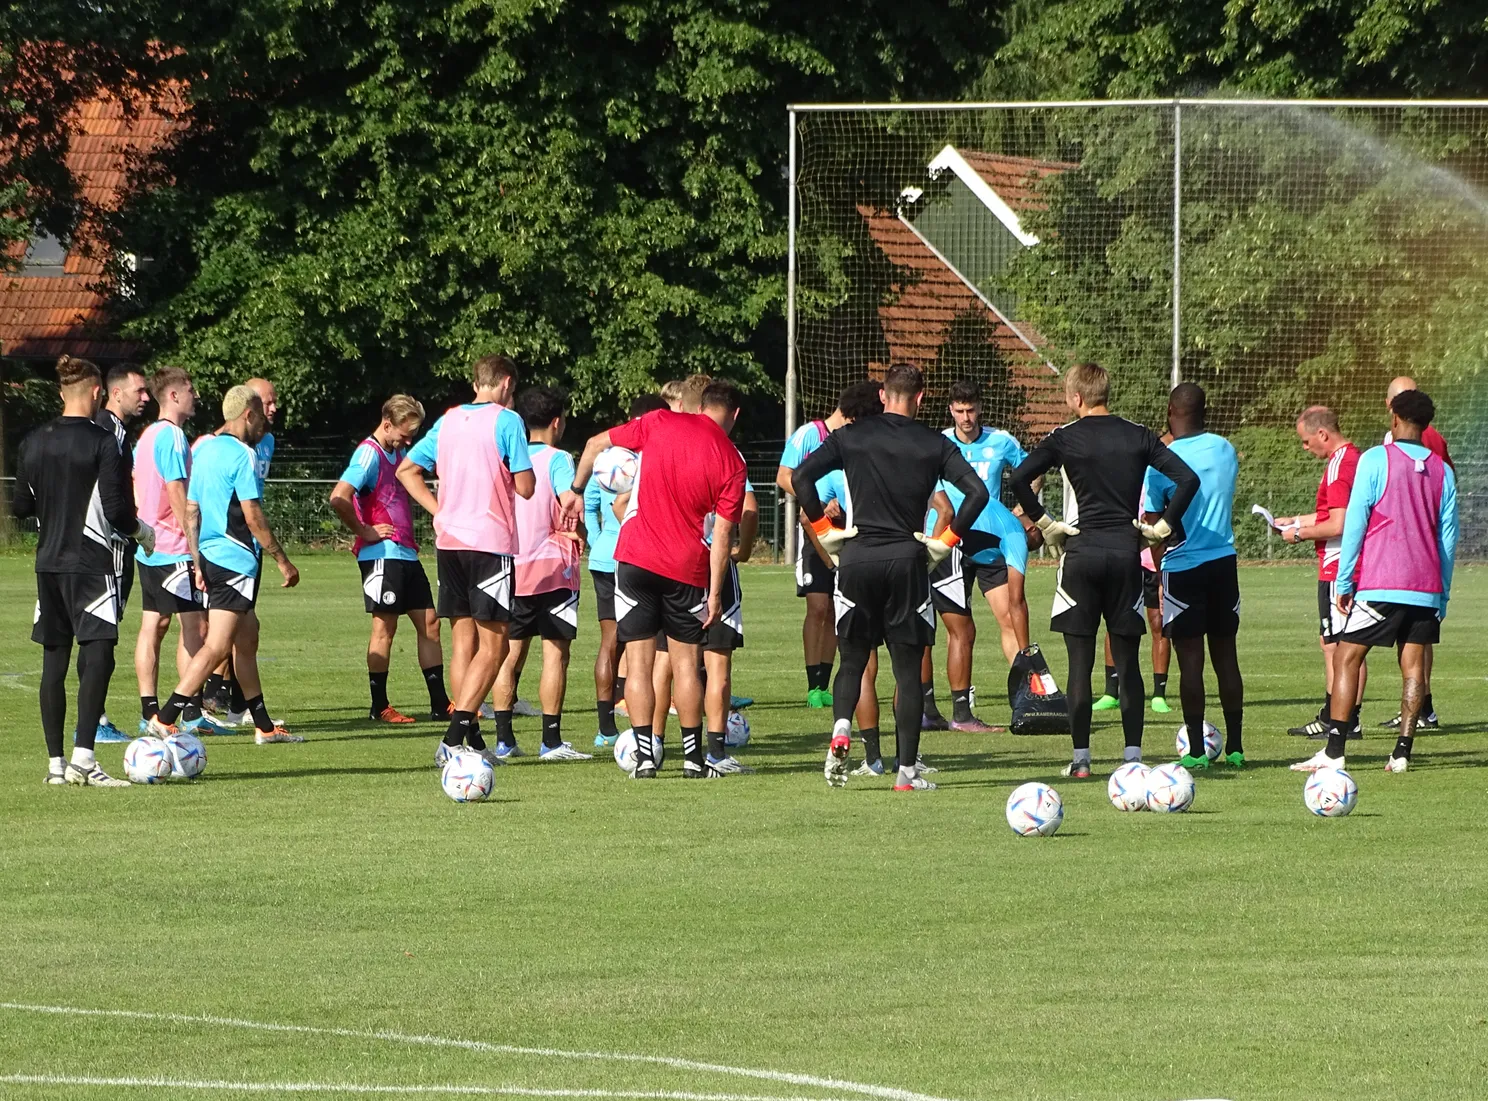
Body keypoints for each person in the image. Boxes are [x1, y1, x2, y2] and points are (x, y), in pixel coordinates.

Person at [791, 363, 990, 793]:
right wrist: (947, 541)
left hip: (858, 558)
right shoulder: (934, 443)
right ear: (922, 398)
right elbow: (979, 493)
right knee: (906, 670)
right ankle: (906, 774)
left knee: (852, 660)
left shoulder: (851, 435)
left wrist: (826, 535)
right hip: (907, 559)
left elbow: (801, 477)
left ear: (883, 396)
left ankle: (842, 728)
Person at [1010, 362, 1198, 779]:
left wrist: (1046, 524)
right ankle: (1133, 759)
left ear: (1076, 397)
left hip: (1080, 553)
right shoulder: (1138, 434)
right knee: (1128, 663)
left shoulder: (1064, 437)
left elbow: (1020, 478)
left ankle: (1081, 760)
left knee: (1080, 663)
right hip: (1124, 554)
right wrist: (1161, 528)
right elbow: (1187, 479)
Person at [561, 380, 747, 780]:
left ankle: (646, 759)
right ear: (734, 415)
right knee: (685, 665)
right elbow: (724, 536)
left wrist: (576, 492)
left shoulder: (658, 421)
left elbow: (595, 443)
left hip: (634, 560)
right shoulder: (732, 461)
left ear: (699, 406)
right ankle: (694, 760)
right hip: (687, 567)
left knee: (640, 664)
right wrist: (715, 594)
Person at [1292, 389, 1457, 775]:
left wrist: (1345, 580)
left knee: (1348, 657)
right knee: (1413, 668)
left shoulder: (1375, 460)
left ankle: (1334, 751)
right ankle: (1401, 752)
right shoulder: (1443, 471)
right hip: (1426, 585)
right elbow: (1447, 539)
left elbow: (1356, 524)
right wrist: (1443, 592)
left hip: (1382, 582)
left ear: (1395, 420)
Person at [16, 356, 152, 786]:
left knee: (53, 660)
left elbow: (20, 507)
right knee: (99, 655)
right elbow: (115, 510)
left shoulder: (33, 442)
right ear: (97, 393)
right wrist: (142, 531)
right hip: (91, 562)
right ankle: (85, 759)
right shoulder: (102, 441)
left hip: (48, 563)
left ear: (61, 393)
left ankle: (56, 766)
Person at [398, 355, 534, 766]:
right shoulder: (507, 421)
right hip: (489, 541)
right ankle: (454, 736)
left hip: (450, 541)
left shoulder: (449, 420)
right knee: (494, 647)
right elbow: (526, 487)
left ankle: (472, 738)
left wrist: (438, 510)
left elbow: (407, 470)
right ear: (507, 382)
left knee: (463, 643)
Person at [146, 387, 300, 744]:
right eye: (261, 414)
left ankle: (263, 726)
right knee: (217, 646)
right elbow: (253, 514)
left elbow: (192, 511)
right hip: (235, 560)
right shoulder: (242, 455)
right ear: (248, 414)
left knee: (247, 637)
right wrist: (282, 560)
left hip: (212, 558)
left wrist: (198, 562)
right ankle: (166, 718)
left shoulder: (205, 450)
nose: (265, 421)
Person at [328, 395, 450, 725]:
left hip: (405, 552)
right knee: (385, 627)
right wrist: (364, 530)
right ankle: (379, 706)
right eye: (405, 433)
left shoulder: (398, 452)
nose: (409, 441)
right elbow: (339, 497)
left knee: (430, 624)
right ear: (386, 424)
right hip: (381, 555)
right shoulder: (369, 453)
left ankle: (440, 703)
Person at [923, 380, 1037, 731]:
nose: (966, 417)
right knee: (950, 628)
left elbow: (1031, 473)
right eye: (959, 410)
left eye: (971, 410)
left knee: (1009, 617)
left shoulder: (1002, 441)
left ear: (980, 408)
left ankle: (1028, 696)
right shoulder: (938, 443)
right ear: (951, 411)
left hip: (989, 542)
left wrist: (1020, 513)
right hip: (948, 542)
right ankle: (940, 708)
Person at [1141, 383, 1244, 769]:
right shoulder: (1225, 449)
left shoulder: (1161, 462)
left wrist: (1158, 568)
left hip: (1182, 566)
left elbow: (1154, 526)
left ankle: (1197, 753)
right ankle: (1235, 747)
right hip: (1223, 561)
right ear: (1206, 410)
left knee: (1190, 663)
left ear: (1170, 411)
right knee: (1226, 657)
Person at [488, 385, 591, 761]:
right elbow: (569, 500)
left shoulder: (507, 459)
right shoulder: (559, 459)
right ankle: (550, 741)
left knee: (507, 653)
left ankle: (503, 739)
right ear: (557, 422)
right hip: (553, 570)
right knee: (555, 655)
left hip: (510, 566)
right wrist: (576, 528)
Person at [132, 366, 213, 735]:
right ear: (175, 396)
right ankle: (190, 714)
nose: (195, 395)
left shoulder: (146, 436)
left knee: (153, 624)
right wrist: (195, 552)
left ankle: (149, 711)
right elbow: (178, 494)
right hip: (175, 548)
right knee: (195, 628)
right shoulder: (174, 437)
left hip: (148, 547)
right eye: (191, 390)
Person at [1277, 406, 1365, 740]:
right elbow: (1331, 514)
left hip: (1338, 565)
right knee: (1340, 642)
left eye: (1305, 440)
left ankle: (1340, 719)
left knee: (1339, 645)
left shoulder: (1341, 467)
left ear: (1323, 434)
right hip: (1343, 562)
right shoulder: (1350, 459)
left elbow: (1339, 524)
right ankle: (1339, 715)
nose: (1305, 447)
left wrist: (1299, 535)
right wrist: (1296, 521)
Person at [586, 394, 668, 747]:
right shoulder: (650, 457)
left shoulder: (606, 459)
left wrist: (597, 539)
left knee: (612, 641)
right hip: (638, 555)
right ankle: (643, 723)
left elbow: (588, 505)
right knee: (644, 644)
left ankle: (606, 727)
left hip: (605, 556)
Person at [1378, 376, 1449, 730]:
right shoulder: (1432, 438)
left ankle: (1342, 730)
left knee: (1353, 649)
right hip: (1424, 561)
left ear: (1393, 409)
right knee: (1418, 638)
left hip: (1398, 559)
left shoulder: (1402, 443)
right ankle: (1423, 710)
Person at [776, 390, 853, 708]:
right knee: (817, 607)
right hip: (813, 533)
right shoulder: (812, 433)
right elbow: (783, 476)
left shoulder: (852, 440)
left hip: (843, 531)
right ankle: (812, 685)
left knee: (836, 609)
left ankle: (825, 681)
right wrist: (816, 504)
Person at [89, 362, 150, 743]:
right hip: (109, 544)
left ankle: (94, 717)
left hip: (103, 543)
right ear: (115, 393)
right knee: (103, 634)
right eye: (139, 391)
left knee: (101, 633)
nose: (146, 398)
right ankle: (95, 720)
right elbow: (108, 496)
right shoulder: (108, 431)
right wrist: (134, 529)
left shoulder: (116, 431)